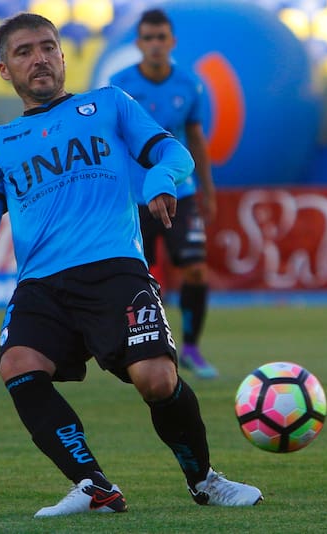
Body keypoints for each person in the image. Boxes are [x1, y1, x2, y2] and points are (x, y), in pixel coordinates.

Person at [0, 12, 262, 518]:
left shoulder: (109, 104)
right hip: (41, 283)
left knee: (156, 379)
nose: (39, 58)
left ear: (63, 56)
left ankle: (204, 480)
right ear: (5, 70)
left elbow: (176, 154)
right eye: (23, 52)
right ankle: (93, 485)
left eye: (47, 47)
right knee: (17, 366)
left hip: (114, 268)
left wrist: (158, 183)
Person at [110, 8, 219, 379]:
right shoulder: (119, 85)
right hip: (134, 197)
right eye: (148, 38)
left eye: (162, 38)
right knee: (133, 279)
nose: (155, 45)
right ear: (139, 43)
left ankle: (190, 347)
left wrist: (208, 190)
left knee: (196, 270)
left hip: (181, 193)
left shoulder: (189, 85)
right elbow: (110, 144)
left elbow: (196, 140)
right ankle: (135, 350)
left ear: (172, 42)